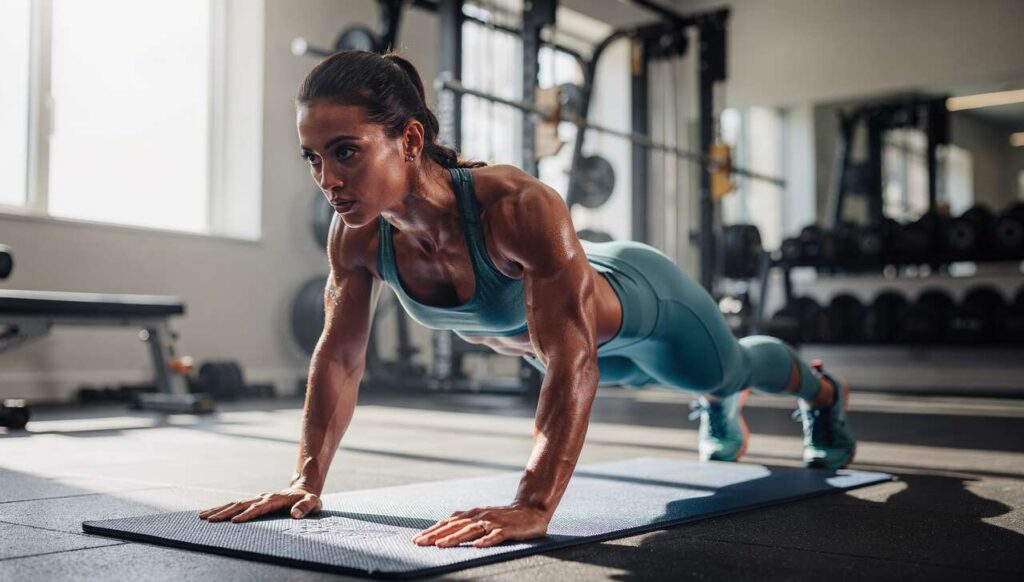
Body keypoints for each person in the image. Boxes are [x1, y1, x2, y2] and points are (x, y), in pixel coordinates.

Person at [198, 50, 855, 549]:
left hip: (644, 309)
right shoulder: (358, 236)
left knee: (724, 371)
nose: (329, 180)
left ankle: (820, 394)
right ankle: (719, 403)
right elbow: (339, 358)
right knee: (625, 373)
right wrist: (306, 479)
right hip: (560, 351)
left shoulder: (515, 205)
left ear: (410, 140)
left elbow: (575, 364)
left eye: (346, 152)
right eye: (313, 158)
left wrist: (534, 504)